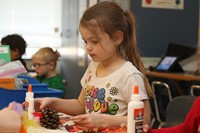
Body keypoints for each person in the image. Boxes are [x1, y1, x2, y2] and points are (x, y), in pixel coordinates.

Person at [34, 1, 153, 130]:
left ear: (117, 38)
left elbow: (144, 120)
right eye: (86, 41)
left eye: (94, 41)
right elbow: (81, 105)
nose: (88, 48)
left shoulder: (130, 75)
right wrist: (53, 102)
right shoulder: (93, 66)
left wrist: (103, 120)